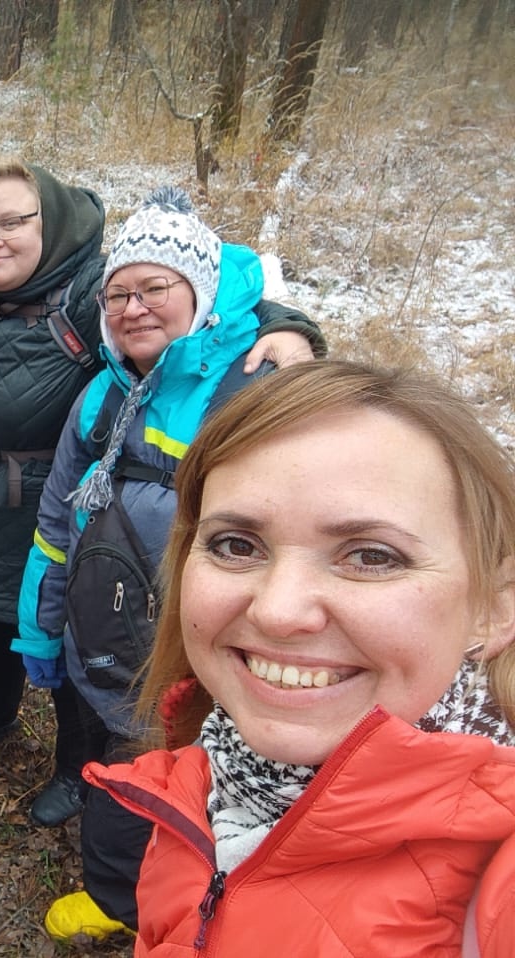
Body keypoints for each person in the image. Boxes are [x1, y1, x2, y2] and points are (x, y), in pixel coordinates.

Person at [0, 158, 323, 829]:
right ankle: (49, 752)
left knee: (149, 700)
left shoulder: (88, 294)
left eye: (12, 222)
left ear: (48, 226)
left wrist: (285, 325)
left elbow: (199, 288)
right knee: (38, 646)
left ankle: (139, 813)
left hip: (132, 568)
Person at [85, 360, 515, 955]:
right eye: (237, 545)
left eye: (370, 556)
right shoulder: (217, 766)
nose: (278, 612)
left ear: (495, 607)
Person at [18, 188, 268, 938]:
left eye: (155, 287)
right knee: (103, 753)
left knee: (157, 785)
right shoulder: (104, 393)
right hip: (96, 634)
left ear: (201, 294)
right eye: (118, 292)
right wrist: (40, 625)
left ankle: (125, 905)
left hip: (187, 660)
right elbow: (57, 520)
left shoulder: (252, 393)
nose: (133, 307)